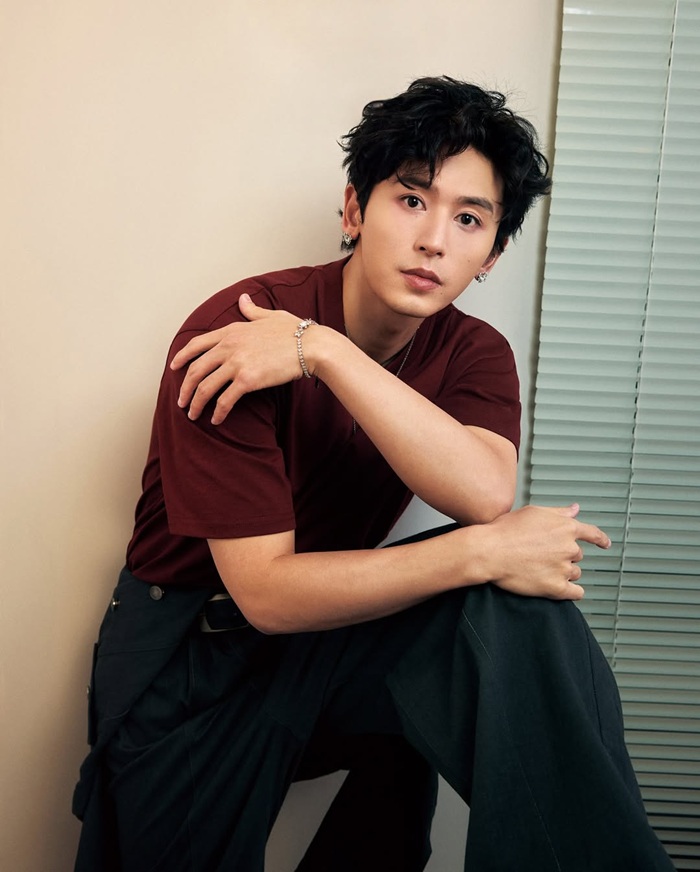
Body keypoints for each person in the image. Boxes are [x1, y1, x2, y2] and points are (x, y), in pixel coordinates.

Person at [73, 76, 676, 871]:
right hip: (192, 652)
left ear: (493, 254)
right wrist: (480, 551)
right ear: (355, 210)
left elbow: (483, 493)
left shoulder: (473, 353)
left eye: (469, 219)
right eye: (412, 200)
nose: (435, 240)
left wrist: (323, 352)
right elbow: (265, 594)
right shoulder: (241, 330)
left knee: (516, 611)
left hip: (331, 645)